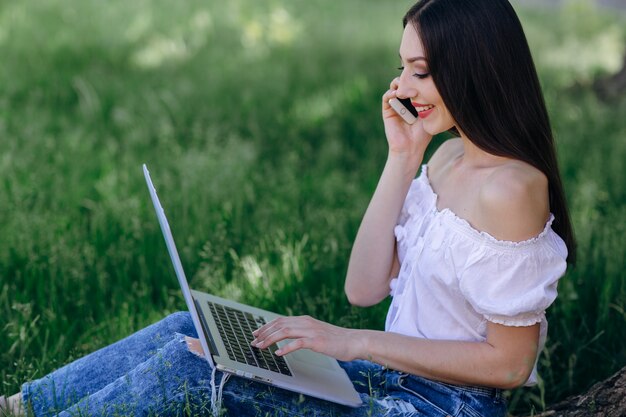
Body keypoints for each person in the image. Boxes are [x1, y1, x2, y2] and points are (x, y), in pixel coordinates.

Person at [1, 0, 576, 415]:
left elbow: (508, 367)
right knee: (190, 328)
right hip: (386, 377)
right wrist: (402, 160)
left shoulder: (511, 189)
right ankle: (23, 406)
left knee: (190, 371)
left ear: (476, 70)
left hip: (439, 405)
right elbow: (364, 289)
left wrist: (354, 343)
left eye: (420, 72)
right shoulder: (446, 161)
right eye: (402, 67)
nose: (401, 86)